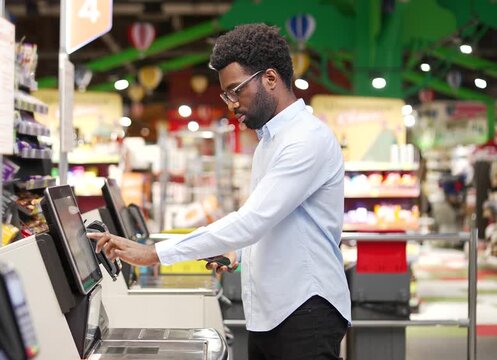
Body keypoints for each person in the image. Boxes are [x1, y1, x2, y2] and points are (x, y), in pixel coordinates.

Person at [88, 23, 351, 360]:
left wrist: (152, 253)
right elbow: (275, 223)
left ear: (270, 79)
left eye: (235, 91)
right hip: (276, 311)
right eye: (226, 95)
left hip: (304, 310)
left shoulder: (305, 140)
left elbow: (252, 221)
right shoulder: (271, 142)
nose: (231, 105)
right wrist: (237, 254)